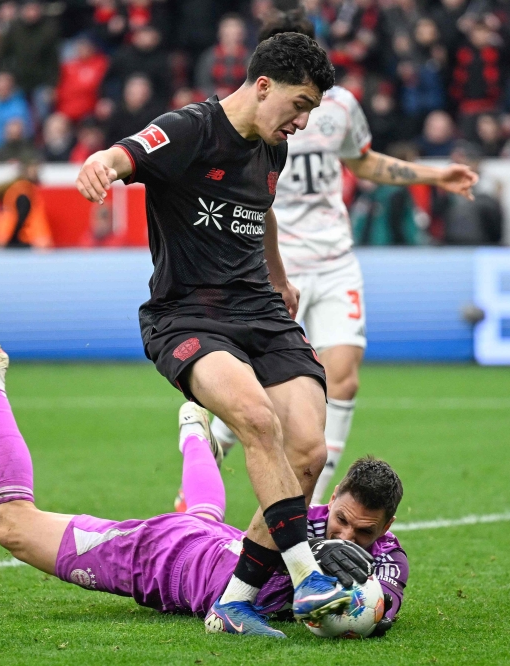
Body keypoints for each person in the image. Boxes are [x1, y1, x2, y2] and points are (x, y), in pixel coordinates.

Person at [77, 32, 358, 637]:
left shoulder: (271, 149)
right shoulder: (189, 131)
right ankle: (308, 575)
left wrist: (280, 280)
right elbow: (125, 154)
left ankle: (234, 603)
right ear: (262, 87)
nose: (304, 122)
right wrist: (101, 164)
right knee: (258, 420)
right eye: (300, 104)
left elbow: (265, 212)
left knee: (309, 449)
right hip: (187, 316)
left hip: (260, 311)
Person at [0, 341, 408, 637]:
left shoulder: (389, 558)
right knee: (13, 526)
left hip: (206, 539)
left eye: (362, 533)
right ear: (334, 495)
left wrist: (370, 607)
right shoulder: (305, 518)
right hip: (162, 559)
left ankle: (194, 431)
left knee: (202, 515)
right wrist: (318, 556)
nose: (346, 534)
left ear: (386, 527)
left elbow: (381, 603)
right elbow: (287, 522)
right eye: (340, 519)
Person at [208, 13, 476, 510]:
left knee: (343, 375)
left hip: (333, 258)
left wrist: (434, 176)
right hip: (271, 261)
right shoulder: (245, 113)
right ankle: (208, 452)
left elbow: (365, 160)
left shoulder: (341, 106)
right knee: (260, 387)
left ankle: (312, 501)